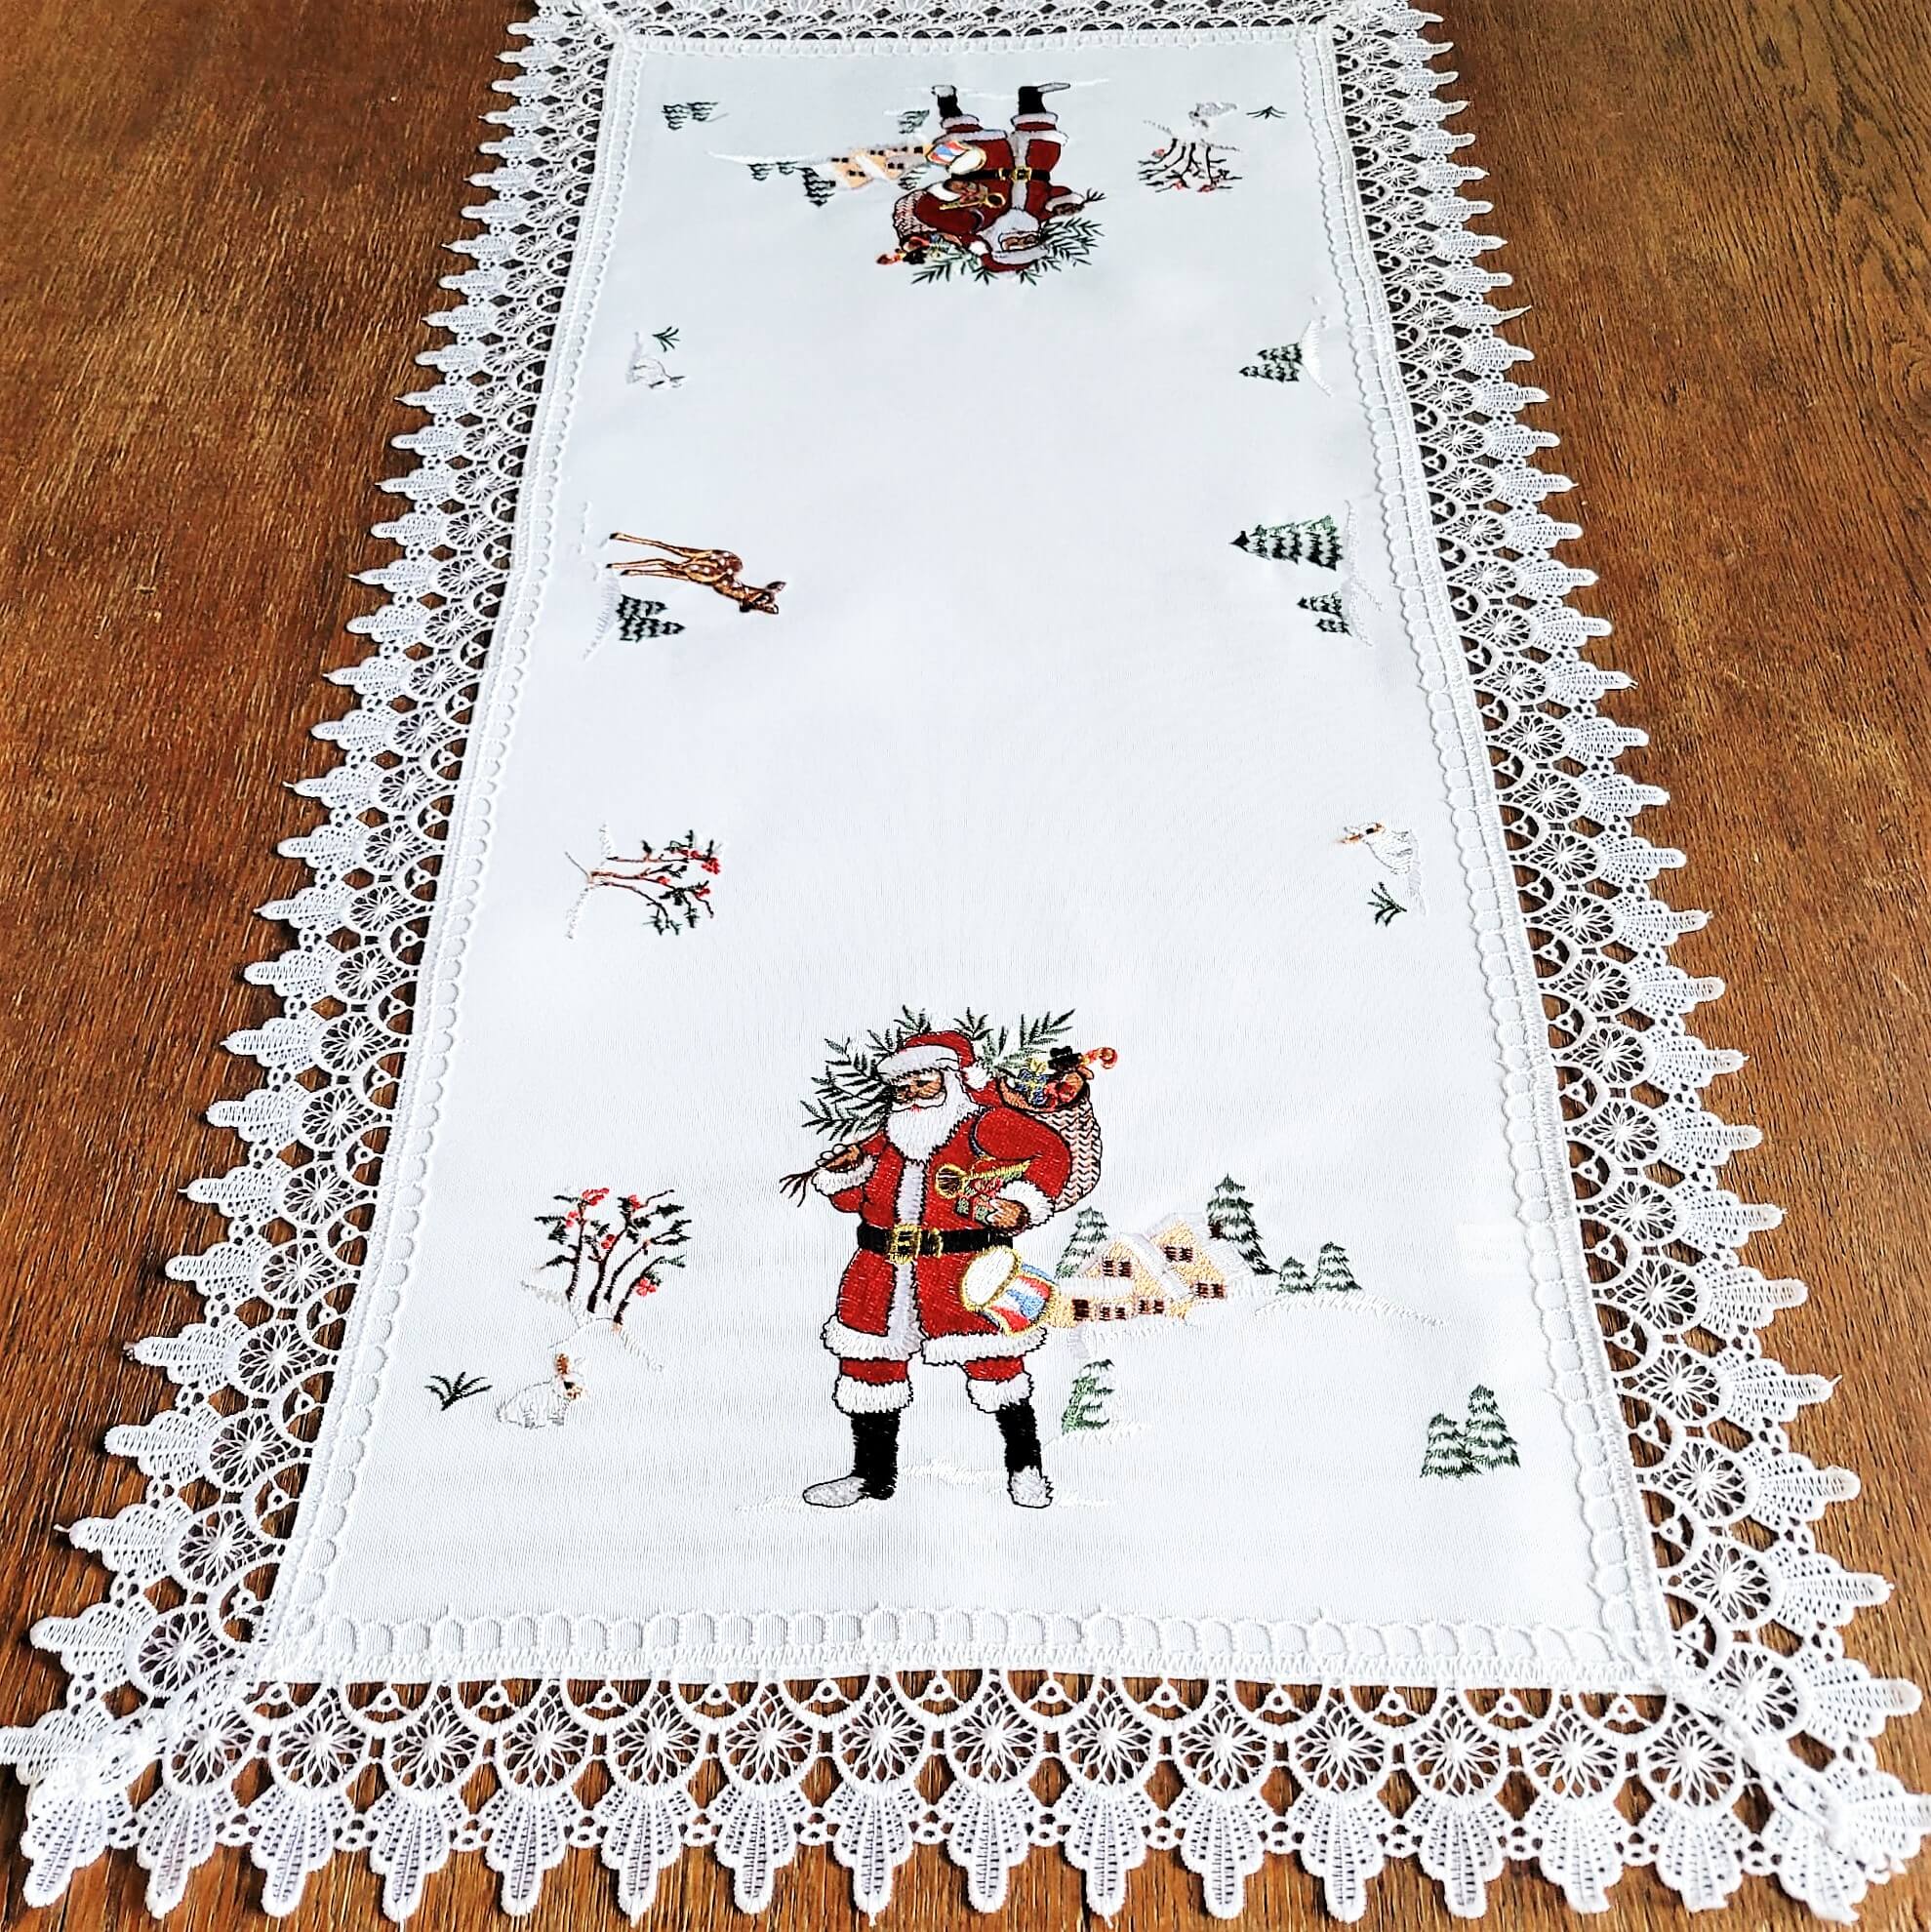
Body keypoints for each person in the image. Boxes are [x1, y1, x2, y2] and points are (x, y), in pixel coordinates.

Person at [804, 1030, 1071, 1508]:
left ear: (951, 1079)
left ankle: (1025, 1466)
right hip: (881, 1272)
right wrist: (842, 1173)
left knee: (997, 1367)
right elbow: (853, 1201)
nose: (911, 1096)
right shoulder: (889, 1139)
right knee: (868, 1369)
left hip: (962, 1269)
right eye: (902, 1087)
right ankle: (871, 1476)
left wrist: (1020, 1204)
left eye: (922, 1083)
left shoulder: (984, 1125)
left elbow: (1052, 1154)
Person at [880, 83, 1093, 275]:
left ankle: (947, 101)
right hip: (1033, 166)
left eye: (1014, 243)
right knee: (1043, 142)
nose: (1021, 235)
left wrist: (948, 191)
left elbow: (926, 210)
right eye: (1029, 240)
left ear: (997, 245)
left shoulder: (976, 224)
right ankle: (1031, 96)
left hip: (982, 166)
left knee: (965, 134)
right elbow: (1055, 194)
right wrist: (1065, 203)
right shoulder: (1036, 215)